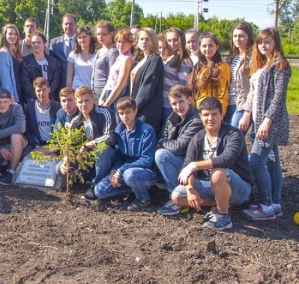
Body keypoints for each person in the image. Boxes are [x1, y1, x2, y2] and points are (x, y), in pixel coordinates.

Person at [172, 97, 253, 230]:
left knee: (218, 172)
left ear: (221, 115)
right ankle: (219, 203)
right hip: (209, 184)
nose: (210, 118)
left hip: (238, 187)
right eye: (206, 115)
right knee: (177, 197)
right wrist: (190, 189)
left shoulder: (234, 134)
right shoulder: (197, 138)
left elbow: (226, 160)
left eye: (214, 114)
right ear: (200, 116)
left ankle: (223, 216)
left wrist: (195, 165)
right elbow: (187, 166)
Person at [241, 28, 290, 221]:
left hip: (270, 123)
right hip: (259, 120)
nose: (263, 46)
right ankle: (275, 204)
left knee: (256, 162)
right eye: (261, 42)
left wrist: (267, 121)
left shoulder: (281, 66)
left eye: (268, 42)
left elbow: (279, 97)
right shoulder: (263, 64)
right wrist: (247, 113)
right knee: (271, 161)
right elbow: (253, 93)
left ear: (275, 43)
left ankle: (266, 204)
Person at [92, 97, 157, 211]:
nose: (125, 116)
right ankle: (133, 190)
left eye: (128, 112)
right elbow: (120, 156)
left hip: (144, 172)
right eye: (121, 113)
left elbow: (147, 160)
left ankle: (143, 198)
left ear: (135, 111)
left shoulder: (147, 130)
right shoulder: (119, 130)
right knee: (99, 191)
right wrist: (114, 171)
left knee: (129, 174)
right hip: (123, 171)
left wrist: (120, 171)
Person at [154, 85, 203, 216]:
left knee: (161, 155)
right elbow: (162, 136)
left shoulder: (196, 120)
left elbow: (178, 147)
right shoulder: (172, 118)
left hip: (194, 165)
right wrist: (162, 141)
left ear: (189, 100)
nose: (178, 106)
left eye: (181, 101)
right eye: (174, 103)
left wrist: (163, 143)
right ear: (170, 104)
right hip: (180, 159)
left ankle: (176, 197)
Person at [62, 86, 116, 185]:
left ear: (93, 100)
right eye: (80, 102)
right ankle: (88, 178)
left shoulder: (104, 113)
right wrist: (66, 159)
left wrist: (87, 145)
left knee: (103, 149)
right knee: (59, 169)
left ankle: (97, 184)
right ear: (76, 103)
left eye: (86, 100)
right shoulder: (75, 121)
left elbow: (110, 137)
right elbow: (68, 144)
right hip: (86, 158)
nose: (83, 104)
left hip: (107, 156)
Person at [0, 90, 26, 186]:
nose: (2, 105)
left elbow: (21, 127)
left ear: (10, 101)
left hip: (17, 142)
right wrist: (0, 148)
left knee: (15, 136)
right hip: (1, 145)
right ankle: (5, 163)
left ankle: (12, 171)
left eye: (5, 101)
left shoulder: (17, 108)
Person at [186, 32, 231, 116]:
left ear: (217, 47)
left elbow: (223, 93)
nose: (207, 49)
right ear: (199, 47)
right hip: (197, 111)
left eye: (210, 45)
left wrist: (221, 114)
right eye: (204, 46)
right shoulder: (198, 66)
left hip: (212, 113)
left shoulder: (222, 66)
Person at [129, 28, 163, 134]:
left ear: (153, 41)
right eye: (142, 39)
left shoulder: (155, 59)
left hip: (146, 110)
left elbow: (148, 86)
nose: (144, 42)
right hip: (135, 108)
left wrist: (135, 107)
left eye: (148, 39)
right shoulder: (140, 60)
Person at [162, 27, 194, 126]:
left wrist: (177, 106)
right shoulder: (171, 57)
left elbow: (182, 87)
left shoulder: (185, 60)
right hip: (164, 102)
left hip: (173, 106)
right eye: (169, 40)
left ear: (181, 40)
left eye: (175, 40)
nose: (172, 43)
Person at [224, 21, 253, 128]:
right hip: (229, 104)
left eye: (241, 36)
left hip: (242, 105)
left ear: (248, 37)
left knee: (234, 136)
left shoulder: (253, 58)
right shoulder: (232, 57)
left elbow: (254, 87)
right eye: (235, 36)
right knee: (227, 138)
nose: (237, 39)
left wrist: (247, 110)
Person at [98, 29, 134, 112]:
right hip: (109, 93)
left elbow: (120, 85)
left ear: (130, 44)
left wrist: (107, 104)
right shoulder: (119, 58)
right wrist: (101, 98)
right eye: (119, 41)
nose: (121, 45)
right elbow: (109, 81)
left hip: (118, 96)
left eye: (124, 42)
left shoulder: (127, 59)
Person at [21, 31, 61, 102]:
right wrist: (36, 96)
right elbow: (25, 82)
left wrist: (47, 93)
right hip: (32, 100)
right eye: (33, 43)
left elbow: (56, 79)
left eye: (39, 42)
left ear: (44, 43)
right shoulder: (26, 61)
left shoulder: (53, 61)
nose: (36, 44)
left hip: (50, 99)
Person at [24, 78, 61, 152]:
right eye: (38, 90)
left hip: (55, 144)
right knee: (24, 156)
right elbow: (28, 130)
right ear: (35, 92)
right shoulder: (30, 107)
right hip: (37, 143)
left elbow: (62, 130)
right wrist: (35, 144)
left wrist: (54, 147)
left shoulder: (57, 107)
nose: (41, 93)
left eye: (44, 89)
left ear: (49, 89)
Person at [91, 20, 118, 102]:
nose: (100, 37)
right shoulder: (99, 50)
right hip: (94, 93)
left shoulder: (113, 52)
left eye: (104, 34)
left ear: (111, 34)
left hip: (105, 94)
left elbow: (112, 77)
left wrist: (105, 97)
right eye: (98, 34)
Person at [49, 14, 77, 89]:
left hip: (78, 83)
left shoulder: (81, 41)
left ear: (75, 25)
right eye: (66, 24)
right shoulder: (54, 43)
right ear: (62, 25)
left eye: (71, 24)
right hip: (59, 85)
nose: (68, 26)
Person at [66, 26, 98, 90]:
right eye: (79, 38)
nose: (82, 40)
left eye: (84, 37)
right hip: (76, 90)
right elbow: (69, 76)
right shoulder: (73, 54)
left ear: (90, 37)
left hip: (91, 91)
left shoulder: (97, 55)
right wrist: (68, 92)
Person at [0, 24, 23, 104]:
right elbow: (5, 78)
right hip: (12, 95)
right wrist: (10, 95)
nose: (13, 36)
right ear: (4, 36)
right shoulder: (3, 54)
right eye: (10, 34)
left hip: (20, 92)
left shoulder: (16, 53)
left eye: (15, 34)